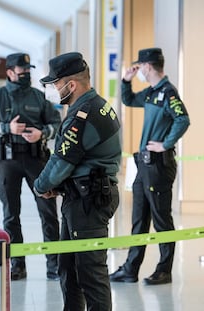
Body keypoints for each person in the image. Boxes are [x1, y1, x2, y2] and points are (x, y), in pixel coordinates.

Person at [33, 52, 121, 311]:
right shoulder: (96, 104)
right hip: (81, 196)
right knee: (69, 268)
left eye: (55, 84)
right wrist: (59, 187)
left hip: (88, 202)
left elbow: (62, 161)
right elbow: (84, 159)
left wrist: (41, 186)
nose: (53, 90)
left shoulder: (82, 115)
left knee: (90, 273)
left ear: (71, 85)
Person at [109, 48, 190, 285]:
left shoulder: (168, 93)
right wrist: (125, 81)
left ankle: (164, 270)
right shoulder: (152, 92)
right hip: (143, 165)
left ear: (147, 66)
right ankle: (130, 268)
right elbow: (128, 99)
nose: (140, 71)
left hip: (158, 166)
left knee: (162, 220)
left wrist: (166, 144)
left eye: (140, 67)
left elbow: (183, 119)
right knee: (139, 219)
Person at [0, 53, 62, 281]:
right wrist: (6, 128)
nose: (26, 74)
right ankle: (17, 265)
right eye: (22, 70)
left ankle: (54, 265)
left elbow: (56, 123)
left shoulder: (38, 96)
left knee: (48, 212)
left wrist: (42, 133)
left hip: (37, 159)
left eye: (28, 70)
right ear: (10, 72)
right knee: (10, 216)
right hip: (8, 160)